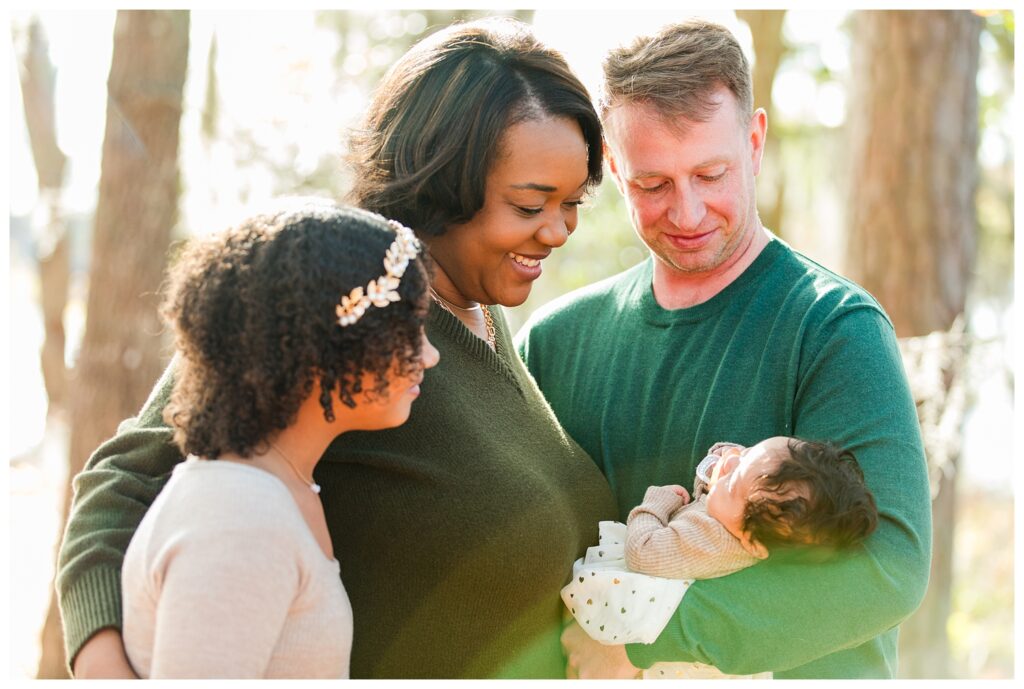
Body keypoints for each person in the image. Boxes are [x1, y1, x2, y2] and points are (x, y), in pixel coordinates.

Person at [56, 17, 618, 679]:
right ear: (442, 181)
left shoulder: (487, 312)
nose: (557, 231)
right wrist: (104, 670)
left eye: (573, 201)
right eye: (530, 205)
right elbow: (122, 481)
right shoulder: (337, 310)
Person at [517, 19, 932, 679]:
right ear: (616, 167)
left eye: (712, 173)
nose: (687, 212)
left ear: (755, 141)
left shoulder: (834, 327)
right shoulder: (555, 341)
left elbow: (888, 567)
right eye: (652, 184)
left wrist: (644, 640)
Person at [120, 201, 438, 678]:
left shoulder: (274, 491)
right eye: (405, 330)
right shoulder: (237, 516)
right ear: (323, 345)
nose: (428, 355)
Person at [561, 437, 878, 679]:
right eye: (748, 452)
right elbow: (720, 493)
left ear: (751, 542)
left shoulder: (712, 538)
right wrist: (733, 469)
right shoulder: (744, 522)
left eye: (733, 478)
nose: (729, 459)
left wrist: (655, 504)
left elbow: (643, 552)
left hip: (633, 617)